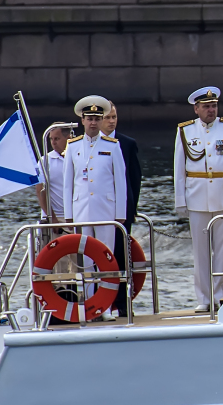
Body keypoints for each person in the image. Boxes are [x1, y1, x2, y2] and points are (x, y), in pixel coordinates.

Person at [173, 87, 223, 312]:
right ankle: (204, 298)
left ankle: (221, 294)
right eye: (206, 106)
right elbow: (179, 167)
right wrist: (180, 199)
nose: (211, 110)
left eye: (214, 106)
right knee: (201, 251)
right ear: (196, 109)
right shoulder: (185, 131)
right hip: (197, 195)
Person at [61, 95, 128, 320]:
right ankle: (89, 307)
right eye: (89, 118)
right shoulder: (73, 146)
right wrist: (68, 215)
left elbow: (121, 181)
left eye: (96, 119)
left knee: (106, 260)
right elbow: (67, 182)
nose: (92, 123)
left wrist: (120, 214)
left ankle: (105, 307)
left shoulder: (112, 145)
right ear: (82, 120)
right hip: (81, 211)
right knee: (85, 262)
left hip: (105, 210)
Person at [99, 102, 143, 316]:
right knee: (98, 258)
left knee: (121, 257)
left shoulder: (126, 143)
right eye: (108, 117)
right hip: (98, 211)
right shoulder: (84, 146)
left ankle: (123, 305)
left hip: (121, 213)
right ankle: (100, 302)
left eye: (114, 116)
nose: (112, 120)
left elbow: (134, 179)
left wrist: (130, 210)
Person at [35, 124, 73, 223]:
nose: (53, 142)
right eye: (51, 139)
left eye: (57, 139)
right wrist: (53, 219)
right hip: (55, 217)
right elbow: (40, 191)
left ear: (68, 138)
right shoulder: (44, 162)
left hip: (77, 216)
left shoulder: (78, 158)